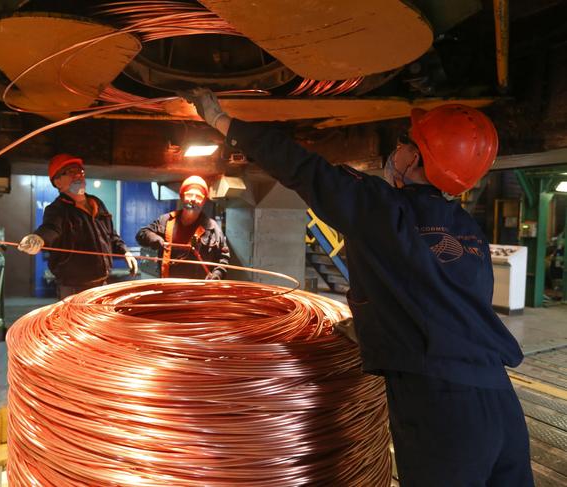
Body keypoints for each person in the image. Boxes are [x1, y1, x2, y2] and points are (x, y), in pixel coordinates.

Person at [180, 88, 533, 487]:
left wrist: (222, 121)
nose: (396, 149)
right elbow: (444, 299)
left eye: (404, 142)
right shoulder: (467, 229)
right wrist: (373, 321)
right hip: (499, 399)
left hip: (441, 406)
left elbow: (303, 168)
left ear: (414, 158)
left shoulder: (380, 207)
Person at [17, 153, 137, 299]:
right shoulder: (57, 209)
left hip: (102, 284)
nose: (78, 175)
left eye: (80, 171)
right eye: (71, 172)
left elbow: (111, 235)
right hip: (74, 289)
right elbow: (51, 228)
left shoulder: (97, 203)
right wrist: (38, 238)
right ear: (57, 182)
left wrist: (125, 251)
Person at [136, 175, 230, 280]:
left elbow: (223, 258)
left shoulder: (213, 229)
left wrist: (217, 274)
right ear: (182, 197)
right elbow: (142, 234)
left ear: (204, 201)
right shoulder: (165, 221)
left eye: (198, 196)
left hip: (199, 291)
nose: (193, 200)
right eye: (189, 195)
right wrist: (153, 238)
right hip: (168, 287)